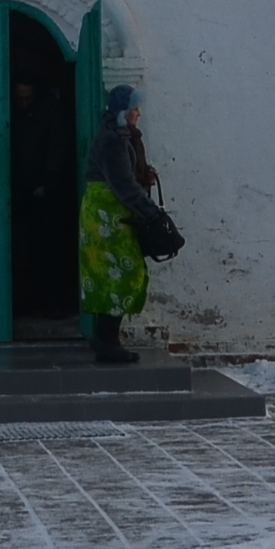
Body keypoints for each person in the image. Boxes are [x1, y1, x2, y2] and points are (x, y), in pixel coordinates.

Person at [77, 83, 164, 363]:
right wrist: (152, 213)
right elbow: (123, 186)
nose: (139, 112)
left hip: (114, 215)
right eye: (134, 107)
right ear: (122, 111)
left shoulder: (121, 136)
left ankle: (106, 338)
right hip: (108, 218)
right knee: (118, 274)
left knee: (117, 273)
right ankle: (106, 340)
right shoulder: (113, 141)